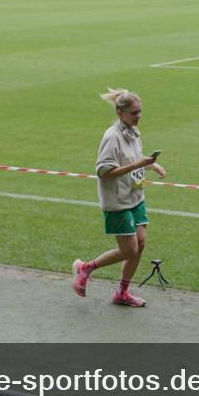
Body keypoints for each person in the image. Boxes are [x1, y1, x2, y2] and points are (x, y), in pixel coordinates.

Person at [72, 89, 165, 307]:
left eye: (140, 112)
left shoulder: (132, 131)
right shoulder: (112, 137)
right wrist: (138, 165)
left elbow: (135, 159)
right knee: (128, 250)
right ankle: (85, 267)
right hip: (118, 200)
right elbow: (104, 171)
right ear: (120, 112)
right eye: (134, 113)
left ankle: (122, 292)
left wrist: (151, 165)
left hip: (135, 195)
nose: (138, 116)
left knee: (140, 243)